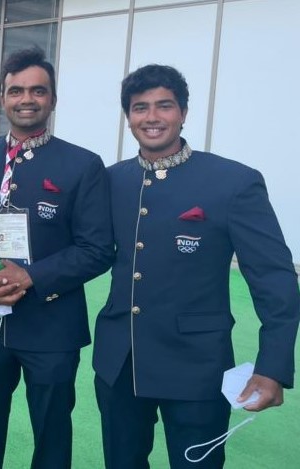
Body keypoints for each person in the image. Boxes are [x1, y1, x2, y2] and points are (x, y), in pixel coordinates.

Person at [93, 64, 300, 468]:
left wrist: (273, 365)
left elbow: (273, 277)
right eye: (140, 108)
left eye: (164, 105)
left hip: (197, 367)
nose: (152, 117)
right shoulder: (111, 181)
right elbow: (90, 251)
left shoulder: (233, 182)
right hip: (119, 362)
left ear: (184, 113)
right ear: (128, 117)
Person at [0, 48, 114, 468]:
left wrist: (31, 277)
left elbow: (97, 249)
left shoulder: (83, 165)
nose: (26, 99)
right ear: (3, 99)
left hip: (52, 327)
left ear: (53, 99)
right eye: (16, 90)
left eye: (38, 91)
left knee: (51, 433)